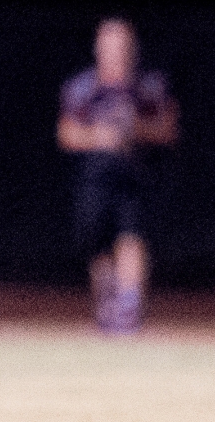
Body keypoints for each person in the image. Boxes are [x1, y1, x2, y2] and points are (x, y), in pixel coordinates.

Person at [56, 18, 177, 333]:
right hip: (94, 177)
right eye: (107, 44)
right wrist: (100, 136)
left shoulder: (147, 86)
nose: (114, 51)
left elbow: (168, 128)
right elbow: (66, 133)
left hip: (134, 174)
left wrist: (135, 130)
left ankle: (129, 309)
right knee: (97, 242)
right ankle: (107, 307)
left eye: (120, 45)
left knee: (131, 236)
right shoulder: (83, 87)